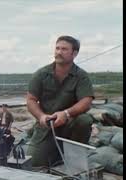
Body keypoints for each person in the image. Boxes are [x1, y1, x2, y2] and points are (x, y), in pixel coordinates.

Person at [26, 35, 95, 167]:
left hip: (70, 124)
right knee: (34, 164)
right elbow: (31, 100)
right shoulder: (41, 74)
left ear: (74, 53)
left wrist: (66, 113)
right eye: (57, 48)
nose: (58, 52)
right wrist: (41, 116)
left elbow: (86, 101)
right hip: (47, 126)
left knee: (84, 120)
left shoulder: (81, 76)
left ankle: (75, 155)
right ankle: (55, 153)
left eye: (64, 49)